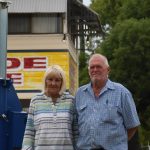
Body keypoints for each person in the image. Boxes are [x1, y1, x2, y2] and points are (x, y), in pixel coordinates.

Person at [75, 53, 140, 150]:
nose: (95, 70)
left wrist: (118, 144)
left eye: (99, 67)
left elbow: (132, 125)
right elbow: (75, 125)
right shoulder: (80, 93)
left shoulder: (122, 92)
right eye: (92, 67)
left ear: (108, 70)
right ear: (89, 71)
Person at [22, 65, 78, 150]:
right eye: (50, 79)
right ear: (45, 81)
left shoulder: (71, 100)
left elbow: (76, 132)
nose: (53, 83)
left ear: (62, 82)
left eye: (57, 80)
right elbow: (29, 133)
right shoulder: (35, 100)